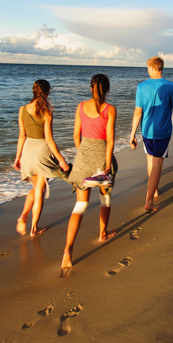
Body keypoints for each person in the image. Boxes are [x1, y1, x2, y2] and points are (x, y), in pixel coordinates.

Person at [61, 74, 119, 275]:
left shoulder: (80, 106)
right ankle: (103, 233)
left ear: (91, 87)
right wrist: (105, 165)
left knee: (81, 205)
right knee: (105, 199)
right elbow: (110, 140)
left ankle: (68, 250)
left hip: (83, 160)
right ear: (107, 89)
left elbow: (76, 136)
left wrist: (83, 153)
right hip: (102, 158)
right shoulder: (109, 109)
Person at [129, 56, 173, 212]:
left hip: (147, 130)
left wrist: (132, 134)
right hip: (162, 131)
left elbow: (137, 113)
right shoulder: (170, 86)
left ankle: (154, 190)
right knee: (158, 163)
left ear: (152, 68)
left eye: (147, 68)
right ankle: (149, 200)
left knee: (150, 159)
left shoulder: (142, 86)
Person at [13, 79, 70, 237]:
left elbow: (22, 135)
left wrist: (18, 157)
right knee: (40, 190)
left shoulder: (22, 109)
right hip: (41, 152)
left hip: (28, 152)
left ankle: (24, 216)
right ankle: (33, 229)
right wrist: (61, 160)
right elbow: (49, 140)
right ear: (47, 92)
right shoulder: (46, 112)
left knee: (36, 186)